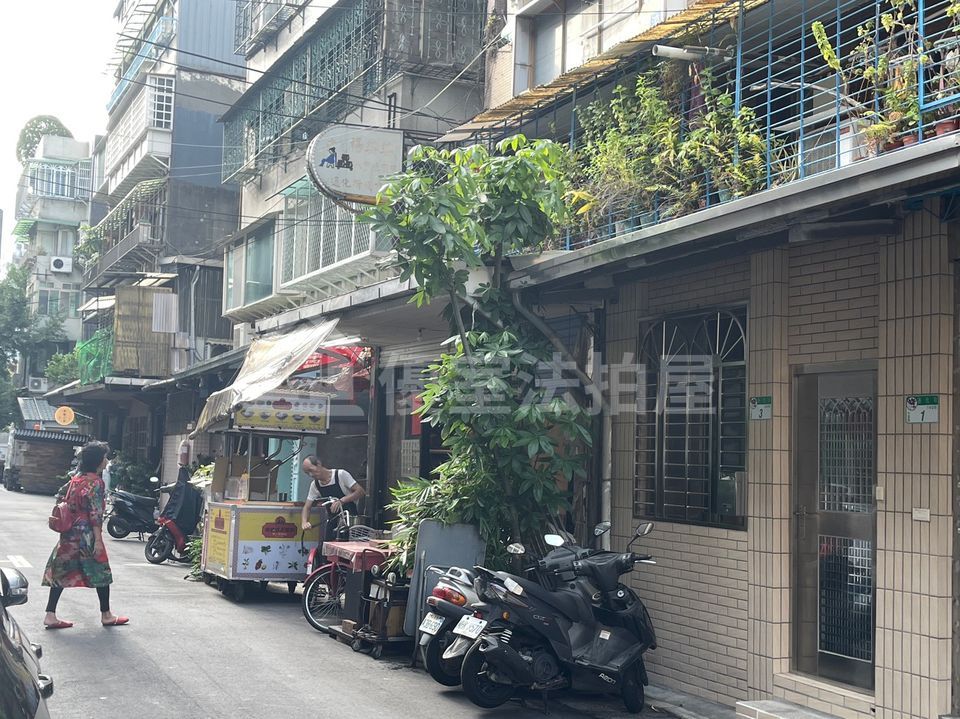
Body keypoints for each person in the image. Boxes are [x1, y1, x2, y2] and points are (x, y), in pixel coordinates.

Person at [42, 441, 128, 629]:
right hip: (87, 534)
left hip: (69, 533)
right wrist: (98, 540)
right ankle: (106, 615)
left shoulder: (75, 479)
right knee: (101, 570)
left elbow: (60, 497)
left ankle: (50, 614)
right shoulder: (95, 483)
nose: (107, 461)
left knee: (61, 570)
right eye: (105, 457)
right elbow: (95, 515)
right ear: (98, 460)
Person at [300, 455, 365, 541]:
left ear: (319, 464)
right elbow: (307, 507)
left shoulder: (341, 475)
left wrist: (342, 501)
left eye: (311, 470)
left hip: (350, 521)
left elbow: (360, 491)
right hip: (332, 522)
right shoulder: (315, 485)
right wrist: (304, 522)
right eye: (307, 473)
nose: (311, 474)